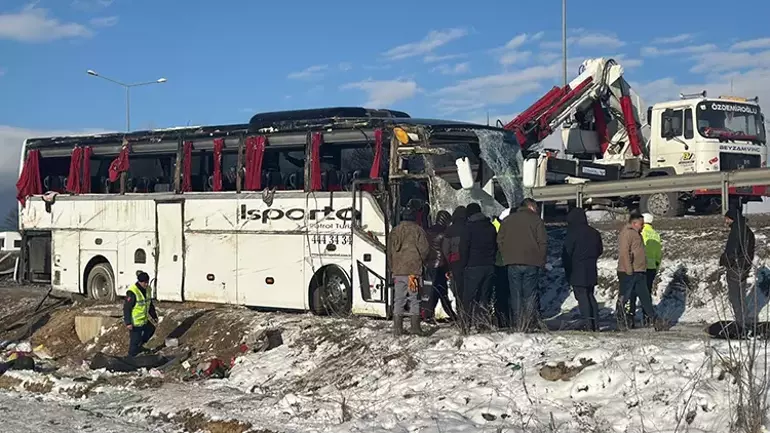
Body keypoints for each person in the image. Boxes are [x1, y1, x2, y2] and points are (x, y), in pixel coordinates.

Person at [497, 198, 547, 331]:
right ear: (531, 207)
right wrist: (541, 261)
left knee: (516, 294)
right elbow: (543, 242)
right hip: (532, 262)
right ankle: (529, 323)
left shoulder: (508, 220)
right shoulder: (536, 221)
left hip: (512, 262)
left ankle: (518, 324)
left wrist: (506, 255)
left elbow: (500, 240)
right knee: (530, 293)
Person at [388, 208, 430, 336]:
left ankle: (397, 329)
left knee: (398, 299)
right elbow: (425, 249)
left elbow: (389, 252)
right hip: (413, 271)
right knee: (414, 299)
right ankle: (415, 328)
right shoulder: (418, 230)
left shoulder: (394, 231)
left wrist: (392, 267)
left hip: (398, 271)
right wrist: (420, 261)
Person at [617, 212, 663, 330]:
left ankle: (654, 320)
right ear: (634, 223)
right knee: (626, 297)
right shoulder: (627, 233)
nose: (643, 226)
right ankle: (623, 320)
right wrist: (629, 270)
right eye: (641, 224)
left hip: (639, 271)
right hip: (630, 271)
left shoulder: (637, 233)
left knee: (645, 297)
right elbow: (624, 251)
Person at [561, 208, 603, 331]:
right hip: (591, 268)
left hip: (576, 269)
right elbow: (600, 250)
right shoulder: (594, 232)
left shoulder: (572, 233)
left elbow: (567, 253)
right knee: (590, 296)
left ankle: (587, 324)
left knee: (582, 297)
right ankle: (596, 324)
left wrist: (567, 269)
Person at [459, 203, 497, 332]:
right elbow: (495, 245)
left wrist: (463, 265)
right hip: (489, 265)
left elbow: (463, 248)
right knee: (484, 297)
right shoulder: (490, 227)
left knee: (468, 297)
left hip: (473, 265)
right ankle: (483, 324)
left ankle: (465, 324)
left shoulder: (468, 228)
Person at [719, 208, 755, 330]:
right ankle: (746, 322)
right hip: (745, 268)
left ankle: (742, 325)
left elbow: (732, 251)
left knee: (735, 298)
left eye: (727, 219)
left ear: (732, 218)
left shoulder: (736, 231)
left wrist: (724, 261)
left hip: (735, 268)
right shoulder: (748, 231)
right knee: (741, 297)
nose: (726, 221)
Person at [422, 210, 457, 322]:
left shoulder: (428, 231)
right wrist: (449, 267)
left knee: (434, 291)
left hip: (430, 264)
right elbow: (447, 251)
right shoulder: (445, 232)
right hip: (441, 265)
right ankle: (449, 314)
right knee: (441, 291)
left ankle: (429, 314)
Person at [124, 272, 158, 357]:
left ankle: (139, 347)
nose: (146, 284)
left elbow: (149, 304)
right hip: (135, 322)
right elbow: (126, 308)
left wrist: (154, 316)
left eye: (147, 282)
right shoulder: (132, 292)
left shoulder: (148, 290)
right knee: (134, 342)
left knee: (151, 330)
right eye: (144, 283)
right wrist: (128, 322)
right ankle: (130, 357)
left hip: (144, 320)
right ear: (139, 282)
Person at [442, 206, 468, 308]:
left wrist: (449, 262)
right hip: (469, 262)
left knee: (458, 289)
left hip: (455, 261)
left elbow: (445, 248)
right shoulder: (468, 227)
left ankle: (461, 313)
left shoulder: (450, 230)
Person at [492, 208, 512, 328]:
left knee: (500, 295)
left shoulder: (495, 225)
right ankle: (504, 320)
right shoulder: (501, 227)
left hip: (498, 263)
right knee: (504, 294)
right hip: (503, 263)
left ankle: (501, 320)